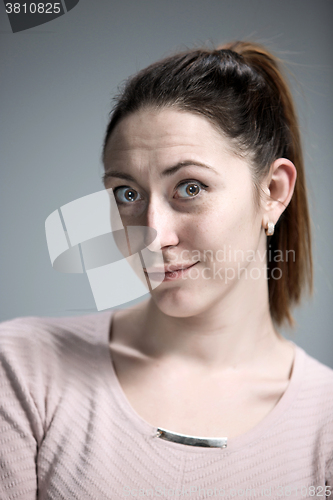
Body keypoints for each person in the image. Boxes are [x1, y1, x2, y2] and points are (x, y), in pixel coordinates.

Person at [1, 40, 333, 499]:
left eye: (190, 187)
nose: (152, 234)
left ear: (273, 191)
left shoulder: (326, 427)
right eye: (127, 194)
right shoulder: (22, 369)